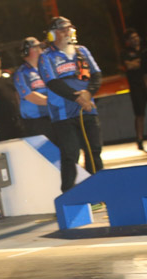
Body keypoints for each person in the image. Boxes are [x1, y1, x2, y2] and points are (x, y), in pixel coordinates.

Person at [38, 16, 103, 192]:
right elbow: (53, 82)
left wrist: (88, 93)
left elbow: (96, 75)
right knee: (70, 153)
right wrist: (79, 98)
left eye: (69, 28)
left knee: (94, 150)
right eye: (62, 29)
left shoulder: (82, 51)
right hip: (63, 114)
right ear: (52, 34)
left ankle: (99, 190)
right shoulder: (46, 57)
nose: (67, 32)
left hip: (88, 109)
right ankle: (67, 193)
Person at [13, 37, 54, 141]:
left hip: (55, 116)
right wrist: (56, 101)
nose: (41, 50)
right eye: (37, 47)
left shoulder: (48, 68)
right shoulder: (21, 73)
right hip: (37, 123)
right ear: (28, 51)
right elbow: (29, 95)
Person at [122, 28, 147, 151]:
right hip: (136, 87)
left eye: (136, 37)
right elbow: (129, 65)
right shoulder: (125, 53)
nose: (135, 40)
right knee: (139, 114)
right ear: (128, 41)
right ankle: (139, 138)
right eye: (132, 38)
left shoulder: (144, 50)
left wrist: (137, 62)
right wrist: (137, 62)